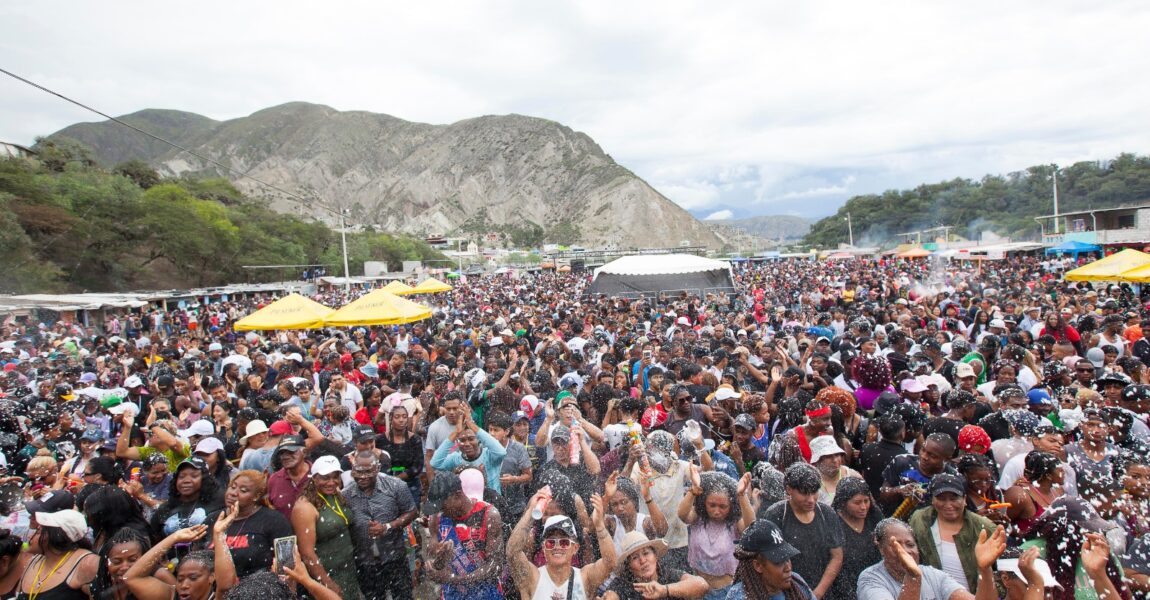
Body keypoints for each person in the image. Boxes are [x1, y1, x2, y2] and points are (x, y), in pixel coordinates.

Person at [856, 519, 1009, 600]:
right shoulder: (870, 579)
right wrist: (913, 577)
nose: (904, 551)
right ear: (881, 548)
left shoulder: (933, 575)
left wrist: (985, 569)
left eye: (910, 544)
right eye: (895, 545)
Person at [507, 489, 615, 600]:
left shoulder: (585, 578)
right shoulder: (533, 577)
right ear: (543, 547)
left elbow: (610, 563)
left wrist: (600, 526)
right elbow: (512, 552)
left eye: (564, 542)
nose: (557, 547)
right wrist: (531, 512)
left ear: (575, 548)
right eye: (550, 542)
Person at [761, 463, 844, 600]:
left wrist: (817, 593)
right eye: (804, 493)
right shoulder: (777, 515)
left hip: (823, 591)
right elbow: (769, 559)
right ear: (789, 489)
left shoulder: (826, 513)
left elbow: (836, 556)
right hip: (787, 592)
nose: (811, 500)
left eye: (814, 492)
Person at [342, 451, 417, 600]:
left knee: (403, 596)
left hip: (395, 556)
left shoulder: (396, 486)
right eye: (358, 471)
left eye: (368, 471)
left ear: (378, 468)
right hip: (365, 562)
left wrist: (388, 526)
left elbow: (411, 511)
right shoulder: (345, 495)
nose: (362, 476)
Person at [907, 474, 997, 593]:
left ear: (965, 499)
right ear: (933, 500)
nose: (948, 505)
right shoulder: (919, 520)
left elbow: (999, 573)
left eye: (954, 498)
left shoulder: (985, 527)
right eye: (941, 498)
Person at [424, 472, 504, 600]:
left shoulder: (488, 515)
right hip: (452, 595)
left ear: (458, 495)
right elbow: (436, 567)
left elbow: (494, 566)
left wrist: (454, 579)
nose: (441, 511)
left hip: (486, 594)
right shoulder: (436, 518)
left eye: (443, 506)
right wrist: (440, 559)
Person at [291, 455, 362, 598]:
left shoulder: (336, 494)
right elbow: (307, 554)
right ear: (314, 478)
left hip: (348, 570)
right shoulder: (304, 507)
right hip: (327, 573)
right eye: (325, 477)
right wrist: (326, 583)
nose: (331, 482)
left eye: (335, 477)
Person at [678, 469, 754, 599]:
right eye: (712, 505)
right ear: (704, 502)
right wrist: (693, 490)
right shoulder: (698, 516)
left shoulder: (734, 523)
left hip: (724, 592)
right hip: (697, 589)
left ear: (731, 506)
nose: (716, 511)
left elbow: (751, 526)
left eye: (722, 506)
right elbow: (682, 515)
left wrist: (742, 495)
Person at [205, 469, 293, 578]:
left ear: (256, 496)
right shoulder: (212, 519)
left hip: (259, 588)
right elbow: (197, 559)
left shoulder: (275, 521)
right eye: (232, 487)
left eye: (243, 490)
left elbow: (287, 566)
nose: (233, 493)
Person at [16, 510, 99, 599]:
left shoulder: (87, 563)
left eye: (38, 531)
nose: (30, 537)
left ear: (53, 534)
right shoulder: (33, 561)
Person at [603, 531, 710, 600]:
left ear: (655, 556)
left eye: (646, 553)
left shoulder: (668, 574)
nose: (643, 560)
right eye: (635, 558)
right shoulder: (623, 583)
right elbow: (611, 596)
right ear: (628, 566)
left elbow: (702, 585)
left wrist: (664, 590)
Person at [725, 518, 815, 600]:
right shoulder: (739, 597)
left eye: (787, 558)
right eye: (779, 562)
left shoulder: (798, 583)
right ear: (758, 565)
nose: (788, 568)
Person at [148, 457, 224, 553]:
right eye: (181, 476)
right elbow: (153, 540)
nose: (186, 480)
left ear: (205, 479)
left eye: (194, 476)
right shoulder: (166, 508)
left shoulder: (219, 501)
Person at [430, 410, 508, 493]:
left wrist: (472, 426)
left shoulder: (489, 455)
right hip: (467, 502)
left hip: (491, 502)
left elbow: (501, 452)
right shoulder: (456, 458)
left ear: (479, 440)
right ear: (457, 442)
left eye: (471, 439)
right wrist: (456, 432)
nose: (467, 444)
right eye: (462, 440)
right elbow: (435, 463)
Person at [830, 477, 881, 600]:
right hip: (845, 587)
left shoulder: (874, 518)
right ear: (843, 502)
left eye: (866, 501)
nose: (863, 507)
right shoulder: (833, 524)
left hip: (876, 586)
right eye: (857, 503)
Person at [89, 527, 174, 600]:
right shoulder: (100, 584)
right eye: (117, 562)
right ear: (106, 563)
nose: (124, 567)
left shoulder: (160, 576)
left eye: (132, 560)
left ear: (146, 558)